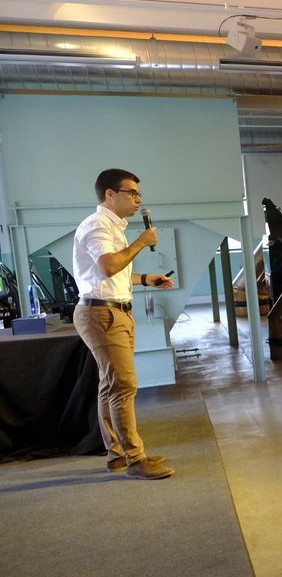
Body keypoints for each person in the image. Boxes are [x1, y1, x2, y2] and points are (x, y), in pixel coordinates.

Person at [72, 169, 176, 479]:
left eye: (138, 194)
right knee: (124, 385)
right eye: (132, 193)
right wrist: (142, 242)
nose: (138, 199)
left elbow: (111, 275)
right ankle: (136, 459)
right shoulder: (97, 225)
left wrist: (146, 279)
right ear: (110, 194)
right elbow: (109, 266)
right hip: (101, 314)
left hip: (113, 311)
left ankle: (117, 454)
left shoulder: (112, 227)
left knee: (111, 384)